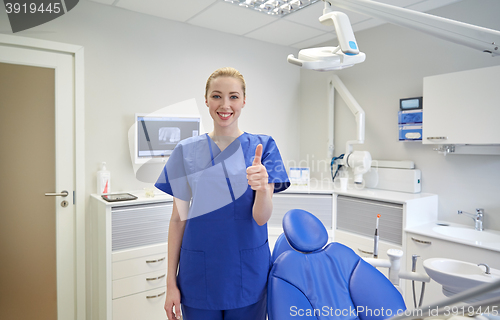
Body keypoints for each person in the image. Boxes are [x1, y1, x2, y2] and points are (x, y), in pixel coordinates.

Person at [155, 67, 290, 320]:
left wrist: (262, 188)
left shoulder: (264, 147)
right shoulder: (185, 151)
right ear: (206, 100)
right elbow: (178, 219)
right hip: (198, 275)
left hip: (248, 274)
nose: (225, 104)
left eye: (234, 96)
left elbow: (261, 217)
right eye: (217, 96)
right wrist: (170, 283)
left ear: (244, 101)